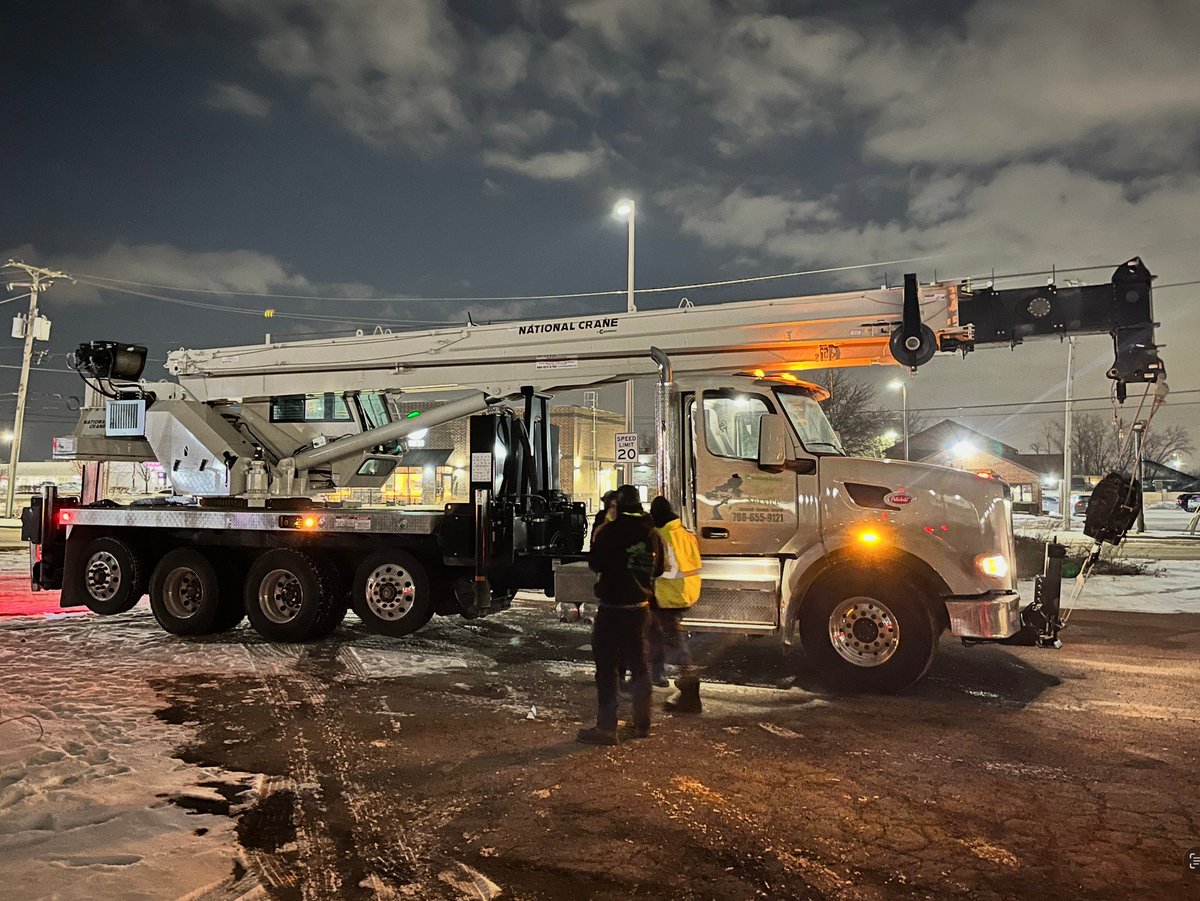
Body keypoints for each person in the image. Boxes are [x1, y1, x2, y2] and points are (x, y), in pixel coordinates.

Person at [577, 484, 662, 745]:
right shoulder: (652, 534)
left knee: (607, 669)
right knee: (639, 666)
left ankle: (606, 728)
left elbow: (595, 563)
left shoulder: (609, 532)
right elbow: (659, 569)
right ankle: (642, 723)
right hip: (640, 609)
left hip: (612, 608)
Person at [648, 496, 703, 714]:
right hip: (686, 593)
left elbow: (657, 568)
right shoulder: (685, 533)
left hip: (667, 596)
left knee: (675, 642)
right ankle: (661, 675)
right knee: (663, 636)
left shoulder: (661, 535)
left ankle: (690, 689)